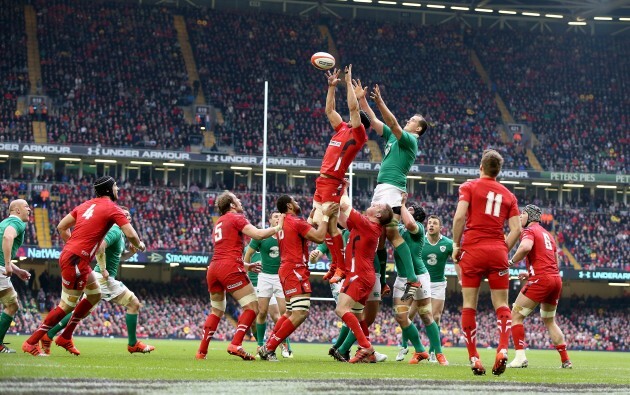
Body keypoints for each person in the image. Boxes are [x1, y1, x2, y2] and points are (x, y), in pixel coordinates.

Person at [22, 176, 146, 357]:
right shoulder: (113, 208)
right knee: (65, 306)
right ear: (109, 189)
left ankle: (65, 337)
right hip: (76, 260)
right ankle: (31, 341)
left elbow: (61, 227)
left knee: (94, 295)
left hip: (76, 257)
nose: (118, 190)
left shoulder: (85, 205)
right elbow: (132, 235)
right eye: (116, 187)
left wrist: (74, 246)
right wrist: (140, 245)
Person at [40, 207, 154, 355]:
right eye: (124, 215)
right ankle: (132, 344)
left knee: (81, 312)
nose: (127, 218)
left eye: (129, 216)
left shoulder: (120, 234)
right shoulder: (114, 231)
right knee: (134, 303)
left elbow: (120, 257)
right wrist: (103, 268)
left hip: (100, 277)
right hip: (103, 278)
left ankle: (50, 336)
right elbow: (100, 247)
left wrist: (131, 252)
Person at [354, 79, 429, 305]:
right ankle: (383, 280)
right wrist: (362, 100)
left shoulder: (409, 141)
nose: (409, 121)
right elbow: (376, 122)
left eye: (413, 120)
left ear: (418, 129)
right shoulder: (394, 139)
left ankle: (413, 279)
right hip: (383, 188)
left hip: (391, 188)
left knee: (391, 233)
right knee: (380, 239)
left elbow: (393, 122)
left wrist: (381, 101)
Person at [451, 149, 521, 376]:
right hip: (497, 252)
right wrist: (502, 249)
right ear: (498, 171)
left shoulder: (469, 186)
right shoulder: (509, 195)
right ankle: (502, 349)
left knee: (469, 304)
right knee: (501, 304)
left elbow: (460, 217)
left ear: (481, 167)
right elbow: (517, 230)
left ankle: (474, 357)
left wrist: (456, 245)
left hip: (472, 250)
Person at [196, 192, 284, 361]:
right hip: (230, 268)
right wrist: (279, 227)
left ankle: (201, 352)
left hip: (214, 268)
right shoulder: (236, 217)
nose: (240, 201)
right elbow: (258, 234)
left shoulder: (218, 223)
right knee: (252, 307)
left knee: (216, 311)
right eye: (237, 200)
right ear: (232, 205)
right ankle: (236, 344)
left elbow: (223, 253)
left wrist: (247, 265)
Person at [258, 196, 334, 361]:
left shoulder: (284, 222)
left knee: (290, 312)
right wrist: (326, 216)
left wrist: (310, 222)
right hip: (295, 269)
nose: (298, 203)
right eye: (295, 201)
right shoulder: (295, 222)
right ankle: (269, 348)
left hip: (287, 269)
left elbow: (298, 232)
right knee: (300, 312)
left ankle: (268, 345)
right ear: (289, 205)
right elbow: (320, 237)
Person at [315, 65, 370, 284]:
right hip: (322, 180)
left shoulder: (358, 134)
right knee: (317, 222)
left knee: (329, 224)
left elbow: (354, 110)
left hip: (332, 183)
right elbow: (329, 111)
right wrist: (331, 87)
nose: (349, 117)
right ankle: (336, 264)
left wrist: (347, 84)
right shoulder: (342, 129)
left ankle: (341, 267)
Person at [507, 205, 572, 369]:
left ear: (529, 216)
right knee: (549, 320)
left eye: (522, 214)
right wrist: (530, 273)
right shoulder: (548, 235)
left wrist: (510, 262)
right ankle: (566, 360)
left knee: (516, 314)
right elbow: (554, 262)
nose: (520, 217)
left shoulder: (529, 231)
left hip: (541, 279)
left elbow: (525, 247)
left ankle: (520, 357)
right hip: (555, 279)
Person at [330, 194, 393, 363]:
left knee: (341, 310)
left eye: (377, 205)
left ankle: (366, 346)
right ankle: (368, 353)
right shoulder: (365, 224)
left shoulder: (368, 225)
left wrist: (341, 188)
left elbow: (344, 206)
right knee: (357, 316)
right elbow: (343, 220)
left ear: (378, 215)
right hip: (360, 274)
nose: (373, 204)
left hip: (359, 274)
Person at [393, 195, 445, 365]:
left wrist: (402, 204)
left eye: (410, 211)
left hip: (417, 278)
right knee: (401, 316)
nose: (405, 211)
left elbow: (409, 223)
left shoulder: (418, 229)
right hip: (402, 278)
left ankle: (438, 353)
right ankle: (419, 349)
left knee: (426, 315)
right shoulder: (399, 229)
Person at [243, 211, 293, 358]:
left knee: (283, 314)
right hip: (264, 277)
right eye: (275, 216)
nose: (278, 218)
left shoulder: (286, 236)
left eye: (280, 216)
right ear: (270, 220)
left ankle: (285, 345)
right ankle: (260, 345)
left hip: (280, 277)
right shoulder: (261, 235)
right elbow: (248, 255)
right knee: (262, 312)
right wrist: (247, 268)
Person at [0, 199, 32, 353]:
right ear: (17, 210)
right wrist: (7, 264)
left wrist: (17, 271)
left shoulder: (3, 223)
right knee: (12, 305)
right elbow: (8, 237)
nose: (30, 209)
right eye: (26, 206)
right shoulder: (18, 223)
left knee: (11, 304)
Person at [421, 215, 454, 363]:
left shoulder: (447, 243)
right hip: (422, 282)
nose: (431, 225)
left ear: (441, 227)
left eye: (435, 223)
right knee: (410, 315)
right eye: (429, 223)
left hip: (438, 284)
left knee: (435, 317)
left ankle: (433, 351)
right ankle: (405, 347)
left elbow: (458, 258)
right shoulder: (420, 241)